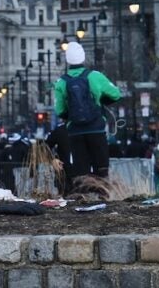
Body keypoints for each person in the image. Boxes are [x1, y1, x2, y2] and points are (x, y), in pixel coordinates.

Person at [53, 41, 123, 189]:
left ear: (68, 60)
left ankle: (84, 196)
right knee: (101, 168)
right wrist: (101, 101)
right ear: (83, 58)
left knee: (81, 171)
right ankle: (103, 196)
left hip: (75, 132)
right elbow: (116, 94)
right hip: (96, 128)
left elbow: (60, 110)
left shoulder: (61, 83)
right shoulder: (95, 76)